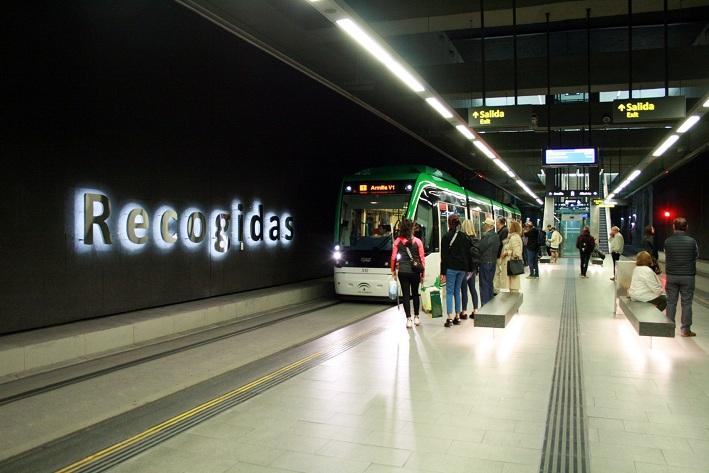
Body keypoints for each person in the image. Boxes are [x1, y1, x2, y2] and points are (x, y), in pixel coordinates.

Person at [664, 217, 699, 337]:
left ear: (674, 227)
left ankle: (669, 328)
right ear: (686, 227)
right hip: (688, 276)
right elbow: (696, 255)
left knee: (671, 302)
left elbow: (667, 255)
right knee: (687, 303)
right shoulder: (692, 241)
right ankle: (685, 330)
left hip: (672, 275)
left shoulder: (668, 241)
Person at [390, 219, 425, 329]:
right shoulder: (418, 241)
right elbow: (422, 259)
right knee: (415, 294)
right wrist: (423, 274)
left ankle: (408, 319)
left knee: (405, 295)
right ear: (411, 228)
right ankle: (417, 317)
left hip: (403, 272)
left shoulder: (397, 241)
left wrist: (393, 272)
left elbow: (393, 258)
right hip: (415, 272)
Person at [440, 214, 471, 327]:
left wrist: (442, 272)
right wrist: (468, 269)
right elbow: (468, 254)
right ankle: (457, 316)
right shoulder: (464, 236)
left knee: (449, 292)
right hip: (462, 269)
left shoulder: (446, 237)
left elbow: (444, 257)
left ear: (449, 223)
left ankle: (449, 318)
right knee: (457, 291)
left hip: (451, 268)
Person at [459, 219, 480, 320]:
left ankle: (464, 311)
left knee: (464, 290)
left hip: (464, 269)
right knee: (473, 289)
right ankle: (476, 310)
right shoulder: (476, 239)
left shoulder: (461, 240)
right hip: (473, 269)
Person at [478, 217, 500, 306]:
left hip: (485, 262)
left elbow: (481, 248)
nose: (483, 226)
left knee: (484, 284)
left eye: (485, 225)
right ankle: (490, 301)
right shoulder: (496, 236)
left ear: (488, 226)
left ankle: (485, 304)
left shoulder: (486, 236)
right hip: (493, 262)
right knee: (490, 282)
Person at [497, 220, 524, 293]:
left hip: (512, 263)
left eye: (510, 226)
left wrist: (506, 253)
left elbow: (517, 253)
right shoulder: (513, 237)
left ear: (513, 228)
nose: (508, 228)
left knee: (513, 285)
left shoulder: (514, 238)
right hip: (511, 263)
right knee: (512, 285)